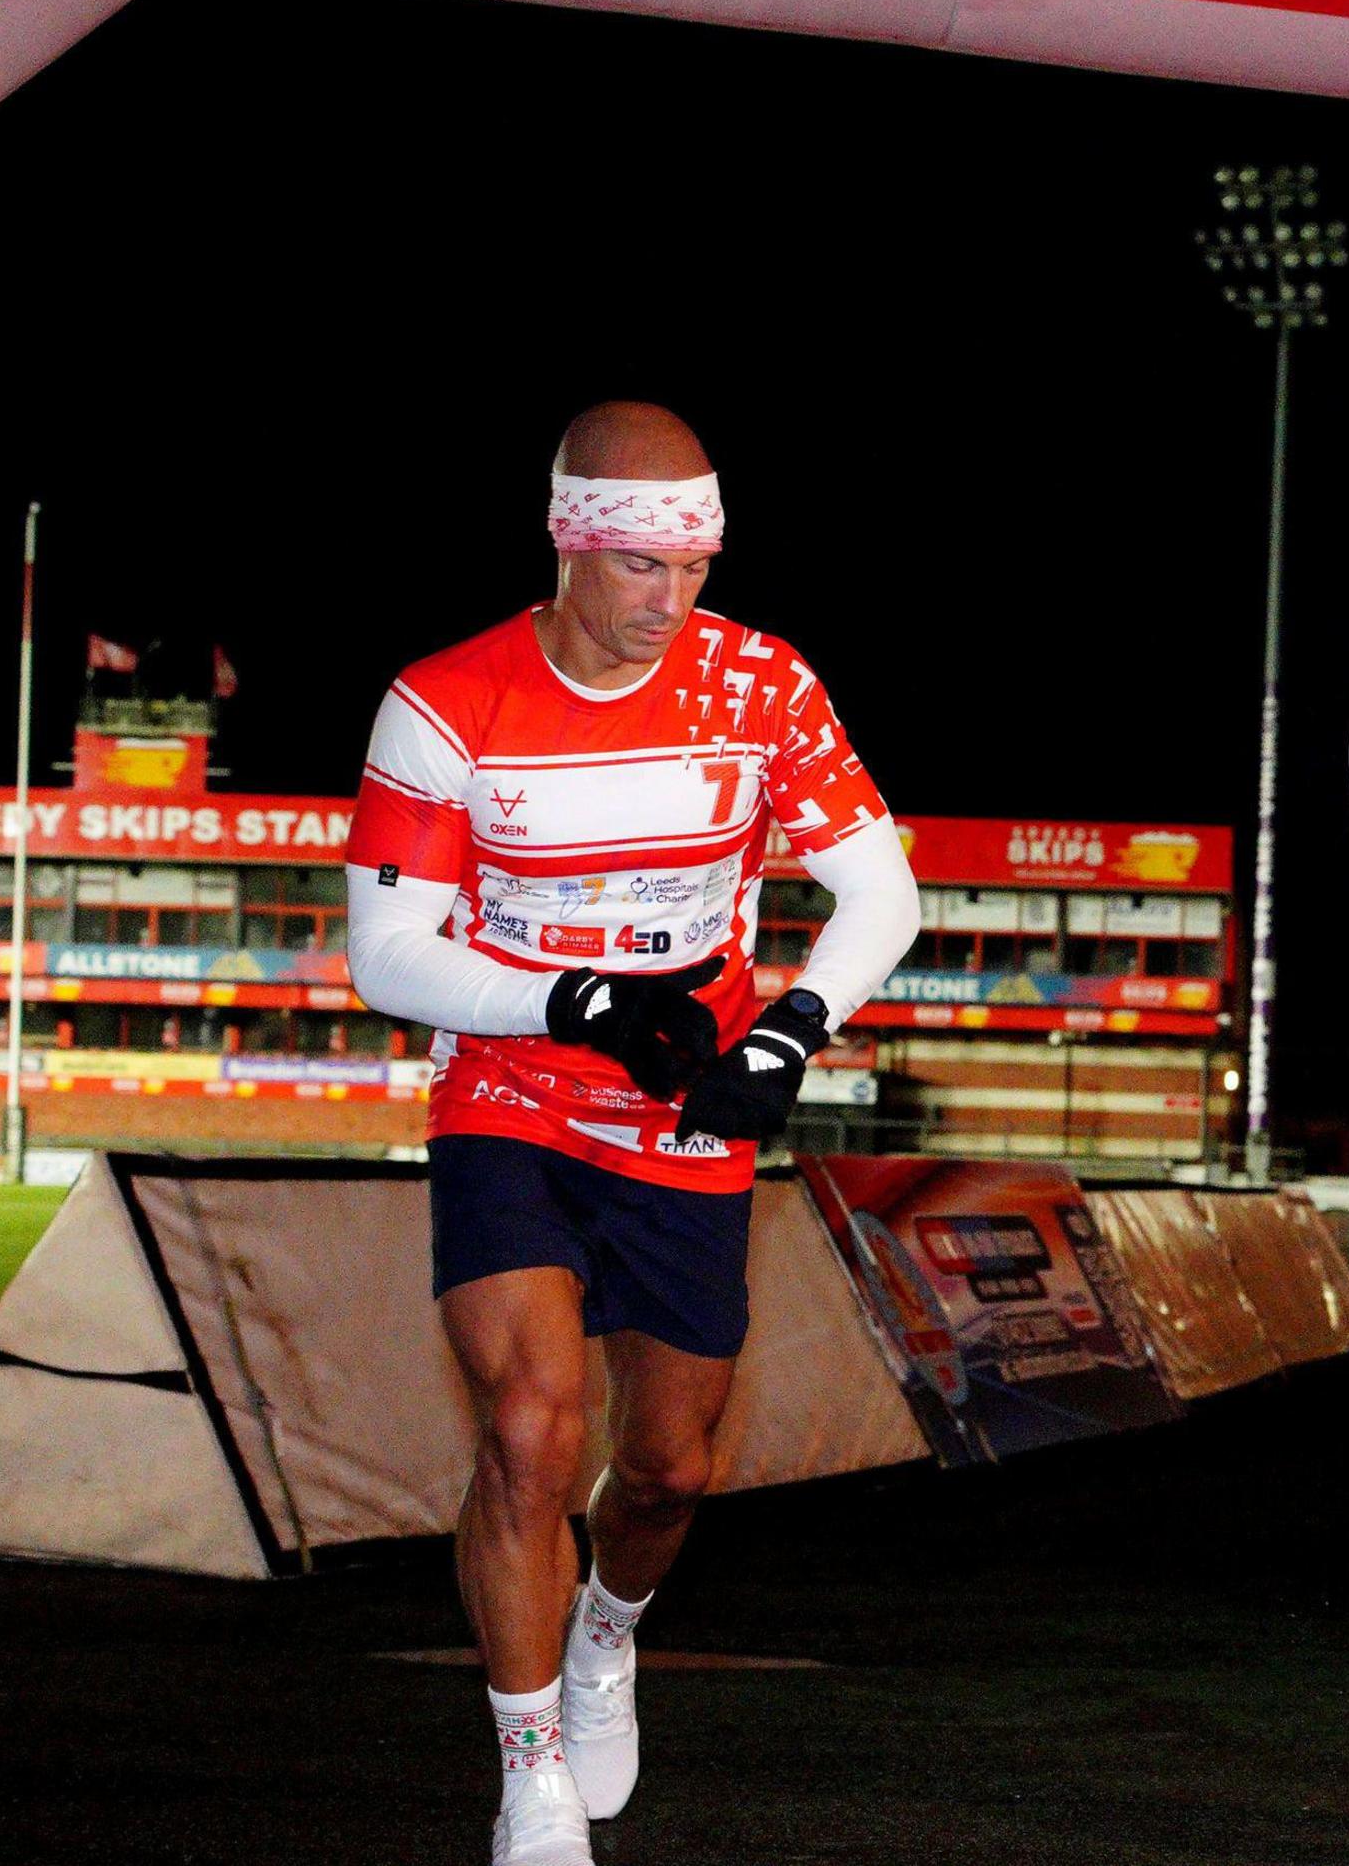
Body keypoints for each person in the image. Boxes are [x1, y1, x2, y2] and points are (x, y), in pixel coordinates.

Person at [343, 402, 922, 1866]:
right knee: (533, 1429)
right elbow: (385, 951)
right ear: (565, 539)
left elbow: (882, 894)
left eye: (697, 565)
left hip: (687, 1114)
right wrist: (574, 995)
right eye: (641, 568)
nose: (675, 601)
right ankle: (528, 1765)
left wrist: (790, 1027)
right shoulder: (442, 701)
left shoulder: (760, 681)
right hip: (513, 1097)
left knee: (666, 1468)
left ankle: (610, 1629)